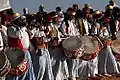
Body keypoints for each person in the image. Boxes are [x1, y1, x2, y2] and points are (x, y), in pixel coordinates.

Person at [6, 13, 36, 80]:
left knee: (29, 72)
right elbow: (18, 35)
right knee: (18, 73)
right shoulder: (11, 29)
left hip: (26, 52)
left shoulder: (21, 28)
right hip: (17, 54)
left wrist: (28, 30)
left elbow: (30, 36)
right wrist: (23, 28)